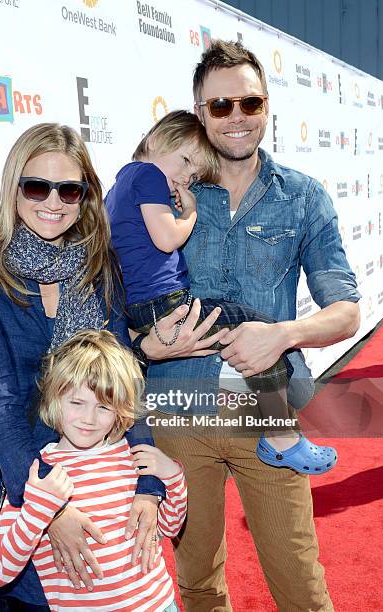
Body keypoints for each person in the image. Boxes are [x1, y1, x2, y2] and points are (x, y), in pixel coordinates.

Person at [143, 40, 361, 612]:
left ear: (267, 106)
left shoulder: (303, 197)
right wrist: (151, 345)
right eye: (220, 107)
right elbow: (125, 292)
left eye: (249, 103)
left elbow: (347, 311)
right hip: (177, 409)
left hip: (267, 415)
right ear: (199, 112)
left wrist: (282, 334)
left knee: (299, 583)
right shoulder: (168, 191)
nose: (236, 118)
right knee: (195, 580)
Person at [0, 123, 188, 610]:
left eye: (69, 189)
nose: (53, 202)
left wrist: (147, 487)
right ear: (13, 188)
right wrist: (48, 508)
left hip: (108, 485)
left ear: (85, 196)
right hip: (29, 491)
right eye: (37, 186)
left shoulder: (101, 270)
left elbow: (125, 387)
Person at [106, 109, 336, 472]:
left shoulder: (117, 188)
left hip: (146, 309)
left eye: (194, 174)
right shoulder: (148, 175)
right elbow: (168, 239)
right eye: (183, 162)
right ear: (153, 141)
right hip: (168, 306)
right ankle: (280, 438)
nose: (184, 178)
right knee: (257, 326)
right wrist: (191, 212)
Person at [0, 329, 185, 612]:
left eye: (104, 408)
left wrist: (173, 478)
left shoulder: (133, 456)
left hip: (158, 604)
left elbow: (169, 527)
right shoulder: (35, 472)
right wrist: (40, 510)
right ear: (55, 398)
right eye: (77, 403)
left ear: (120, 409)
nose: (88, 419)